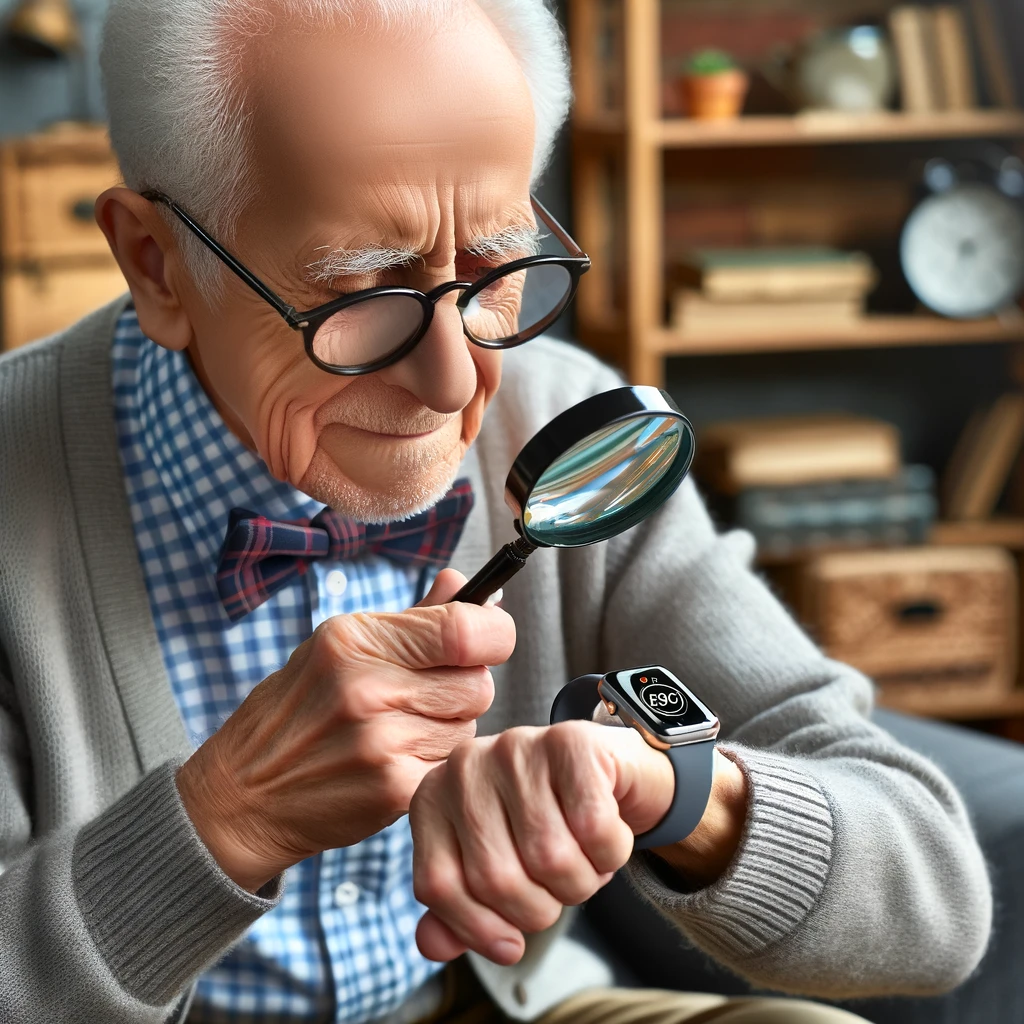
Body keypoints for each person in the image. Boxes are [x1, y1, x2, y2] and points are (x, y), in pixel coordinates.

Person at [0, 1, 991, 1022]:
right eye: (363, 290)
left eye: (493, 268)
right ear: (157, 263)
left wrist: (663, 786)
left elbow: (934, 901)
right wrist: (227, 816)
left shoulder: (569, 428)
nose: (452, 382)